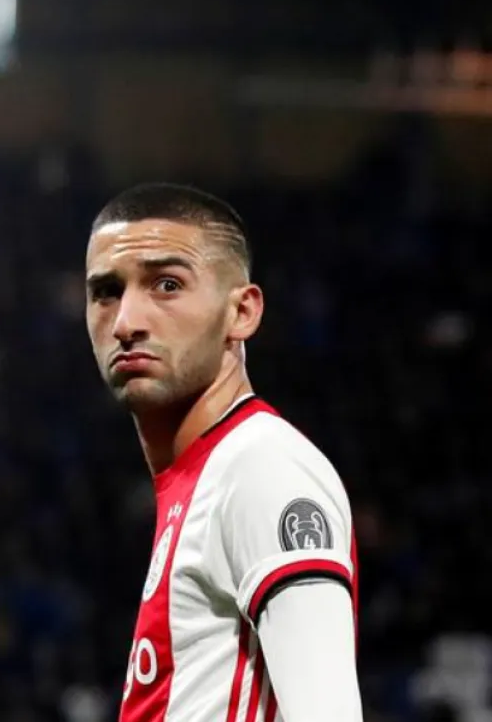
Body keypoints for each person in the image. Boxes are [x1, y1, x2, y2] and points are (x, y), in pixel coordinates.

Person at [83, 183, 362, 722]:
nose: (125, 323)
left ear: (242, 312)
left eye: (166, 285)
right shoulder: (201, 475)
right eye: (107, 292)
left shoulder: (262, 469)